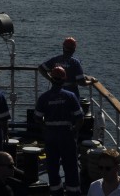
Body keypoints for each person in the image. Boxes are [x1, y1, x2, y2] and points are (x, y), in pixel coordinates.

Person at [34, 66, 82, 196]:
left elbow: (37, 118)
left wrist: (46, 128)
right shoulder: (71, 96)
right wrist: (74, 131)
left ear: (51, 79)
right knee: (71, 167)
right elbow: (79, 118)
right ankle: (73, 193)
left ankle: (56, 193)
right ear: (64, 79)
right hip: (67, 134)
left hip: (51, 135)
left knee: (52, 167)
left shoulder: (44, 97)